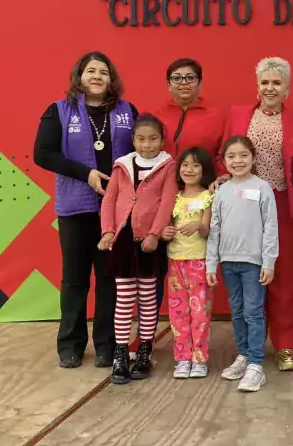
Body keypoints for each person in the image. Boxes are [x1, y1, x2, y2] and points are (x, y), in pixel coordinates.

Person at [33, 51, 137, 369]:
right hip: (75, 208)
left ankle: (107, 344)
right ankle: (71, 345)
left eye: (103, 72)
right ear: (79, 77)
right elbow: (43, 154)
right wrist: (85, 173)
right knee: (75, 280)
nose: (96, 76)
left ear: (111, 79)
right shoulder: (58, 111)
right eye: (90, 70)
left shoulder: (127, 111)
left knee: (109, 280)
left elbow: (142, 151)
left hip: (116, 212)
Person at [218, 57, 293, 371]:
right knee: (249, 273)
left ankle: (286, 345)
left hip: (281, 202)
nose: (270, 88)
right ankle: (252, 345)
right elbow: (223, 155)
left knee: (283, 274)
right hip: (243, 202)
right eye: (265, 82)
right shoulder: (239, 116)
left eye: (277, 83)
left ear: (287, 89)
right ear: (257, 86)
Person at [97, 114, 177, 384]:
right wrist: (108, 231)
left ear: (162, 140)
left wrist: (155, 234)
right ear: (133, 140)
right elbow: (109, 200)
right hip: (122, 239)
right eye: (141, 139)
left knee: (147, 299)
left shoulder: (167, 166)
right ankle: (121, 352)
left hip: (148, 242)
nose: (147, 145)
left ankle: (144, 349)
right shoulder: (122, 166)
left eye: (153, 139)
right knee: (124, 299)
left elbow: (167, 202)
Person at [152, 57, 226, 313]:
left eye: (190, 78)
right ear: (168, 84)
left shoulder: (215, 116)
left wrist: (220, 181)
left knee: (196, 261)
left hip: (199, 200)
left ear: (200, 83)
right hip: (161, 198)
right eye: (177, 78)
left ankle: (197, 328)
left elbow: (221, 156)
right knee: (158, 263)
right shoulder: (155, 117)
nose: (184, 83)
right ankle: (156, 329)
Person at [207, 136, 279, 393]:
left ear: (253, 158)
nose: (238, 161)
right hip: (229, 263)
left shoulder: (262, 188)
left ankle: (256, 365)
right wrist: (210, 264)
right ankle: (244, 355)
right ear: (224, 161)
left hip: (253, 263)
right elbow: (214, 228)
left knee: (253, 311)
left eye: (243, 155)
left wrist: (268, 262)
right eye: (231, 156)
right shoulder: (221, 191)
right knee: (237, 312)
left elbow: (270, 226)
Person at [163, 147, 217, 380]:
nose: (189, 169)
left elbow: (207, 230)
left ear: (204, 170)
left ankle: (199, 359)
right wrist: (165, 232)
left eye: (195, 165)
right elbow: (165, 227)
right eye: (185, 164)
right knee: (178, 313)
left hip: (200, 261)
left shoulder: (208, 197)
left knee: (200, 313)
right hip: (175, 261)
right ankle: (182, 358)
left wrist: (198, 226)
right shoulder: (174, 197)